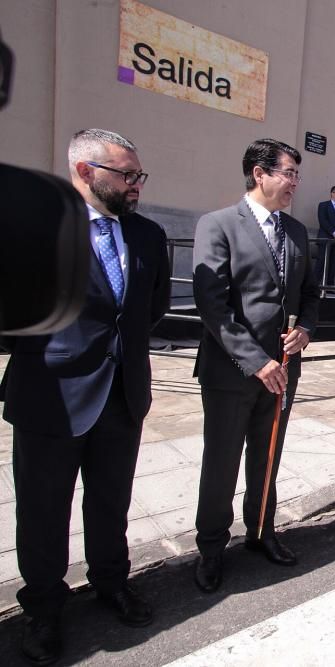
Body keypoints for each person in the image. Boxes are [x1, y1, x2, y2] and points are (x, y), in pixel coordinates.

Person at [1, 128, 170, 664]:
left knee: (111, 500)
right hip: (52, 395)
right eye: (126, 174)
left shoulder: (147, 235)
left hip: (123, 393)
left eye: (138, 174)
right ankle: (45, 608)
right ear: (85, 172)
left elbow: (152, 308)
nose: (136, 184)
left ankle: (110, 582)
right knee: (44, 510)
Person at [191, 138, 320, 593]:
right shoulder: (219, 225)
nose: (294, 183)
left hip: (284, 369)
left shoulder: (298, 232)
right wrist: (255, 360)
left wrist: (305, 329)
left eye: (297, 175)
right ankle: (210, 547)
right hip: (233, 372)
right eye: (288, 173)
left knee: (267, 459)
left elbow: (310, 295)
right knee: (222, 462)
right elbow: (212, 304)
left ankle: (262, 531)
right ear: (258, 173)